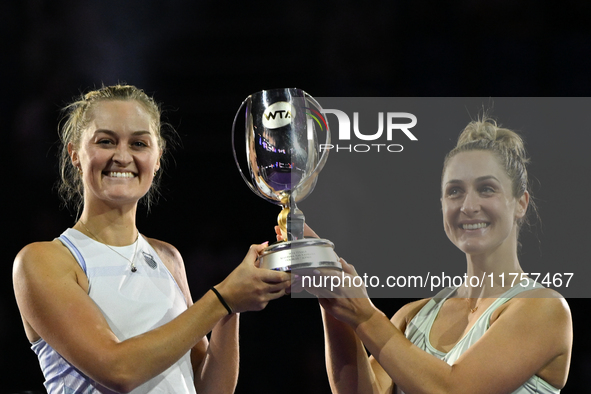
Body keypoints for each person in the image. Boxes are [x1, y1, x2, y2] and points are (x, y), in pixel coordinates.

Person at [13, 84, 291, 394]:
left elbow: (211, 389)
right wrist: (223, 297)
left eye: (138, 143)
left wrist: (233, 307)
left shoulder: (167, 257)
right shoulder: (42, 261)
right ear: (75, 153)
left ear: (158, 157)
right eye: (106, 141)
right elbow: (119, 370)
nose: (122, 156)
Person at [290, 118, 573, 393]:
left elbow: (452, 389)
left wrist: (365, 316)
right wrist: (333, 298)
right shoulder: (411, 317)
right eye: (455, 192)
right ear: (441, 205)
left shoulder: (545, 309)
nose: (468, 205)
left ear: (520, 203)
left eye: (487, 189)